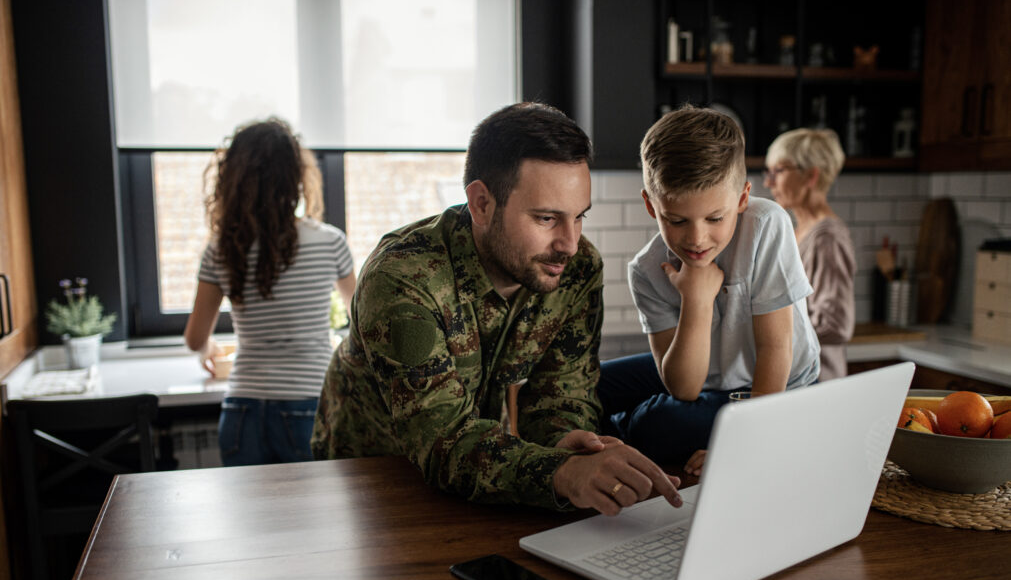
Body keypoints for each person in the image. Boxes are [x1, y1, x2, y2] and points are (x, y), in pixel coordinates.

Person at [311, 102, 683, 516]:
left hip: (477, 481)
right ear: (482, 203)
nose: (570, 243)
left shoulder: (574, 270)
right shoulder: (403, 279)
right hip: (366, 485)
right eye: (546, 218)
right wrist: (561, 474)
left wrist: (570, 442)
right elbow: (444, 440)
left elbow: (561, 395)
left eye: (579, 217)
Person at [598, 105, 820, 476]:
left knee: (657, 424)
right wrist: (696, 299)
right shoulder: (646, 270)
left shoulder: (766, 226)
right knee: (593, 383)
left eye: (715, 219)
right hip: (709, 371)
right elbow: (684, 384)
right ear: (652, 206)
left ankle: (624, 433)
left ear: (743, 199)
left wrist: (746, 442)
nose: (697, 239)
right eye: (677, 220)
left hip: (776, 388)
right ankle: (604, 437)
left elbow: (774, 348)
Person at [184, 117, 356, 466]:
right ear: (296, 176)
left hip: (242, 410)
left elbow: (194, 338)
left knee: (250, 521)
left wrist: (208, 348)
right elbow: (363, 319)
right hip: (308, 405)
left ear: (233, 179)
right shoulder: (329, 241)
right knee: (314, 520)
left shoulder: (223, 248)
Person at [764, 128, 855, 381]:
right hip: (797, 377)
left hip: (817, 380)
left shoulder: (827, 237)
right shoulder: (797, 232)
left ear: (811, 176)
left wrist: (767, 330)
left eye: (778, 171)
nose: (768, 182)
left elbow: (835, 323)